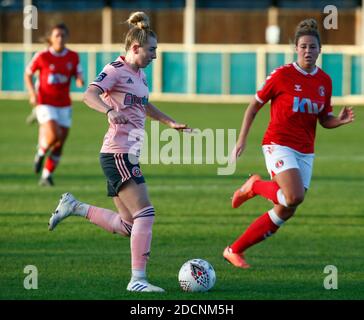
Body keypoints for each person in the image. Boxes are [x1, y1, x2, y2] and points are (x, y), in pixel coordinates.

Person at [48, 12, 190, 292]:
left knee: (128, 225)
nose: (155, 56)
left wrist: (168, 121)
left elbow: (144, 104)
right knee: (145, 213)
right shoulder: (115, 69)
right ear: (135, 48)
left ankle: (74, 207)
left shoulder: (140, 75)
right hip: (118, 153)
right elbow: (89, 94)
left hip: (126, 154)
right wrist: (110, 110)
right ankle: (137, 280)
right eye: (152, 50)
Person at [223, 18, 355, 269]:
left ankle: (234, 249)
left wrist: (338, 120)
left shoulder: (324, 82)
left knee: (287, 208)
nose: (308, 51)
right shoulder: (282, 75)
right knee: (293, 196)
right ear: (296, 48)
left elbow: (323, 119)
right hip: (278, 142)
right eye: (303, 46)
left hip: (306, 150)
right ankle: (255, 185)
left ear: (319, 50)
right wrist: (242, 139)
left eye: (312, 47)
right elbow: (254, 106)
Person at [25, 23, 84, 186]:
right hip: (45, 102)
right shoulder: (42, 56)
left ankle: (46, 175)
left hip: (64, 104)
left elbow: (78, 72)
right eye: (57, 35)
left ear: (67, 37)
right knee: (53, 134)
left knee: (60, 142)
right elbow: (28, 73)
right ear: (50, 38)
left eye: (63, 35)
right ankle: (41, 151)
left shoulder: (73, 56)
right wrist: (32, 94)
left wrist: (80, 79)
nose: (60, 38)